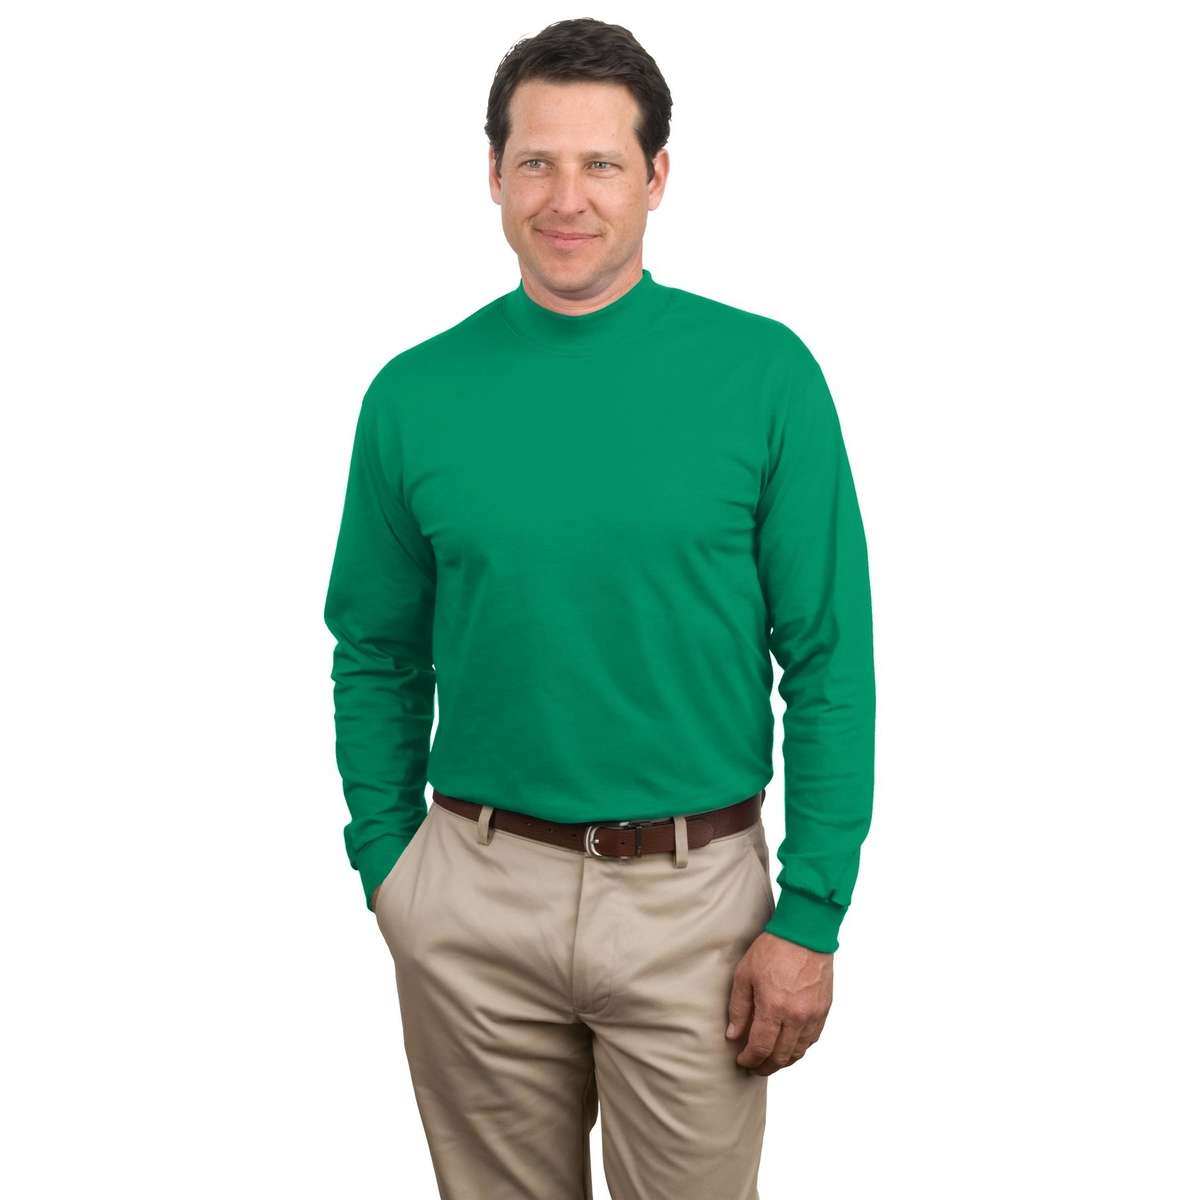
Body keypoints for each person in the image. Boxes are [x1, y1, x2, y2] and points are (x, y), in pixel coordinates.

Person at [323, 17, 875, 1200]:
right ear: (493, 173)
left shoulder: (765, 376)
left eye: (602, 164)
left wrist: (813, 910)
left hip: (697, 907)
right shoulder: (413, 395)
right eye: (536, 161)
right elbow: (374, 647)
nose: (565, 197)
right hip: (470, 895)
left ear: (657, 176)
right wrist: (387, 862)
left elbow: (829, 659)